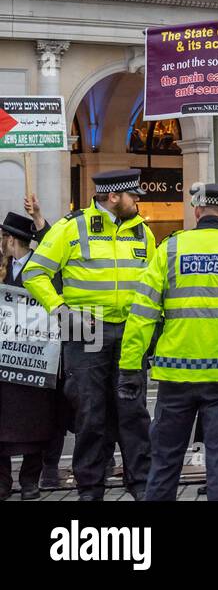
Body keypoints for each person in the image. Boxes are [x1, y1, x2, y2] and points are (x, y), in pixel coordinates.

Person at [118, 183, 218, 501]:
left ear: (197, 212)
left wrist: (129, 367)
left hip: (175, 377)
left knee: (164, 467)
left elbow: (141, 314)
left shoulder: (169, 249)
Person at [24, 168, 155, 500]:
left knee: (134, 413)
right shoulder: (72, 227)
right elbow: (34, 273)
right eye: (133, 195)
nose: (138, 199)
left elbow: (154, 284)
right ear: (114, 197)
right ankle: (90, 489)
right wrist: (61, 310)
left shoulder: (143, 232)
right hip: (82, 327)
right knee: (90, 414)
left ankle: (141, 485)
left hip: (130, 331)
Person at [0, 212, 57, 501]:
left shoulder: (41, 267)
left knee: (37, 422)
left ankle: (30, 480)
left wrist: (38, 218)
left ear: (11, 240)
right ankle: (3, 481)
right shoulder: (1, 268)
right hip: (3, 361)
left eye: (3, 238)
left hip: (35, 359)